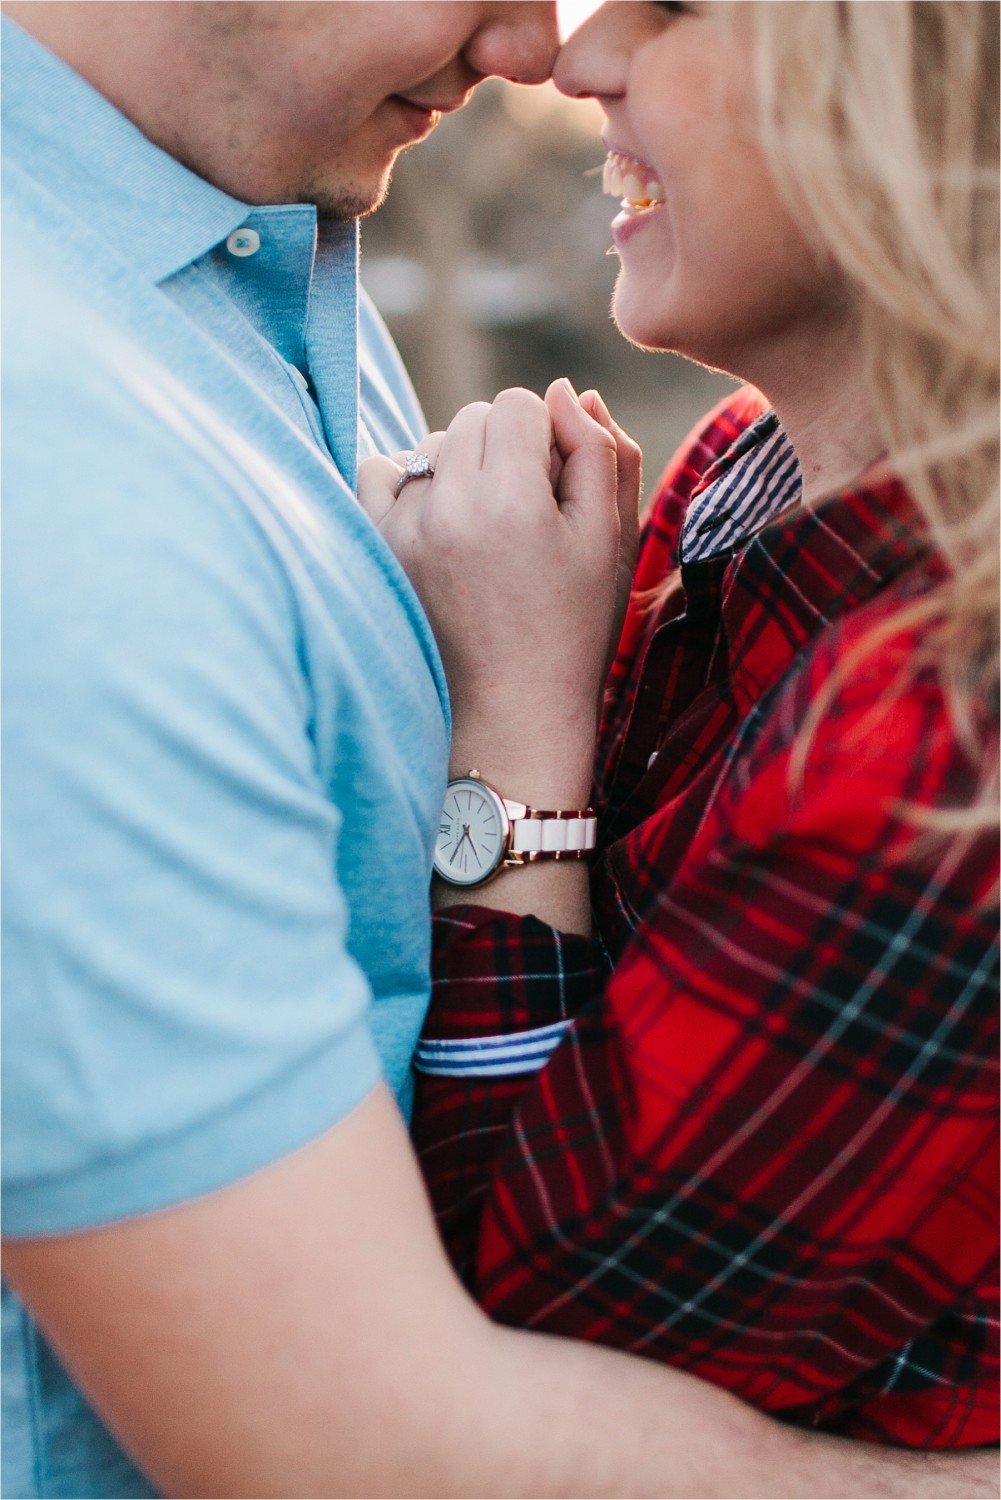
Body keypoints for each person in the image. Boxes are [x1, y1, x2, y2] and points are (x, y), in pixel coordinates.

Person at [1, 3, 993, 1497]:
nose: (547, 52)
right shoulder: (55, 467)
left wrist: (520, 727)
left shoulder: (269, 246)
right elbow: (408, 1430)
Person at [359, 0, 1000, 1456]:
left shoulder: (948, 741)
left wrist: (514, 720)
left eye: (676, 7)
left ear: (935, 86)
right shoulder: (738, 475)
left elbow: (531, 1364)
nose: (574, 59)